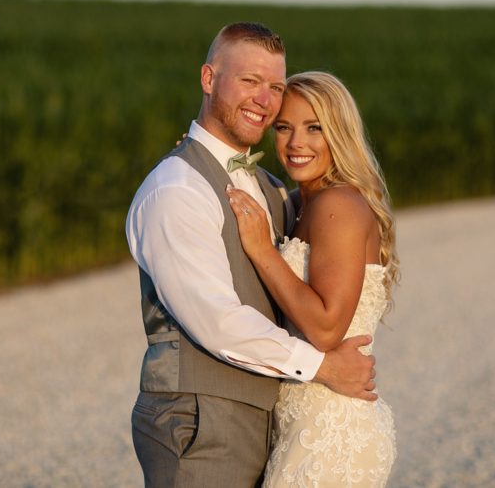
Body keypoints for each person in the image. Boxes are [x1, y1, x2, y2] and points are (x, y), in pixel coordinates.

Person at [126, 24, 378, 488]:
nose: (264, 98)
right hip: (199, 420)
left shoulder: (276, 192)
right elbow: (216, 319)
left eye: (275, 87)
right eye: (248, 81)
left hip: (272, 422)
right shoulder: (177, 188)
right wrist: (323, 367)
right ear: (208, 79)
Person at [226, 70, 399, 487]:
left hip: (331, 429)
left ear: (338, 133)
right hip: (305, 419)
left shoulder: (337, 205)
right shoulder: (302, 203)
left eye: (313, 128)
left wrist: (264, 252)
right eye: (283, 128)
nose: (295, 143)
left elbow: (325, 328)